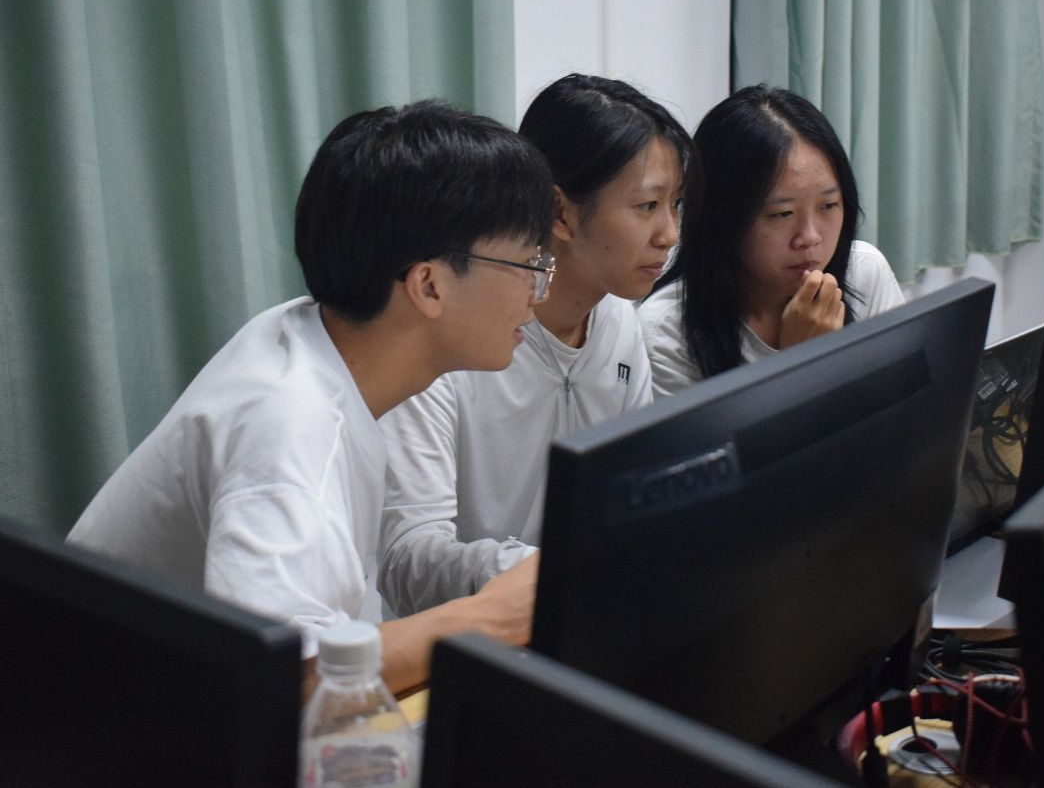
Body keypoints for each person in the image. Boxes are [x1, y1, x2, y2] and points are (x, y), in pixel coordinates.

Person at [67, 100, 552, 694]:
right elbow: (288, 676)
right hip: (115, 721)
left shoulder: (312, 337)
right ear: (428, 285)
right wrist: (491, 617)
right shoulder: (289, 424)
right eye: (527, 263)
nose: (538, 291)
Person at [377, 74, 695, 616]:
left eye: (676, 205)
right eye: (647, 206)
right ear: (561, 213)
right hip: (464, 639)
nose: (669, 233)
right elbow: (406, 558)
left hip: (581, 618)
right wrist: (545, 574)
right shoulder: (450, 335)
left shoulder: (620, 323)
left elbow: (634, 498)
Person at [640, 85, 904, 397]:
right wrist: (799, 365)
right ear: (723, 216)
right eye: (783, 214)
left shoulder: (864, 274)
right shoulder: (665, 334)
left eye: (829, 205)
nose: (810, 237)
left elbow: (905, 410)